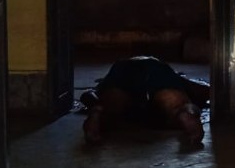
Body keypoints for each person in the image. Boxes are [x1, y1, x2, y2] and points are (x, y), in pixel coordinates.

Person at [80, 56, 210, 146]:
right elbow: (204, 90)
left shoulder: (115, 74)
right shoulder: (167, 72)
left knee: (112, 103)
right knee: (174, 102)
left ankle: (98, 111)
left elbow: (87, 95)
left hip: (123, 71)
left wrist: (94, 105)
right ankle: (185, 111)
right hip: (157, 69)